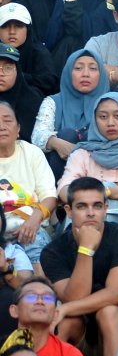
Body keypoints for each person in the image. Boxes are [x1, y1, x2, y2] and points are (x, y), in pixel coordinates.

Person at [40, 177, 118, 356]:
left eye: (97, 205)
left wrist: (67, 308)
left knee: (108, 312)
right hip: (84, 331)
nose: (91, 213)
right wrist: (85, 249)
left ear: (105, 208)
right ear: (68, 211)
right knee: (64, 322)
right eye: (81, 206)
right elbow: (75, 297)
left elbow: (115, 295)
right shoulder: (53, 251)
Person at [57, 92, 118, 217]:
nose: (110, 123)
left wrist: (104, 191)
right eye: (103, 117)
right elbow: (64, 188)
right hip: (86, 220)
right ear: (94, 120)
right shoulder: (82, 154)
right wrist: (100, 196)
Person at [32, 51, 109, 181]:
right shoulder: (53, 102)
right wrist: (56, 142)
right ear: (68, 73)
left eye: (93, 68)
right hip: (61, 168)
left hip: (103, 171)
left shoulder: (112, 103)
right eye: (78, 68)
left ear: (101, 74)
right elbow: (37, 136)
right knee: (67, 135)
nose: (85, 74)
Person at [0, 101, 57, 268]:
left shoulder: (31, 153)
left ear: (18, 128)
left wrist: (33, 221)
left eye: (7, 120)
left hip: (31, 226)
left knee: (40, 266)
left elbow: (49, 196)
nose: (2, 127)